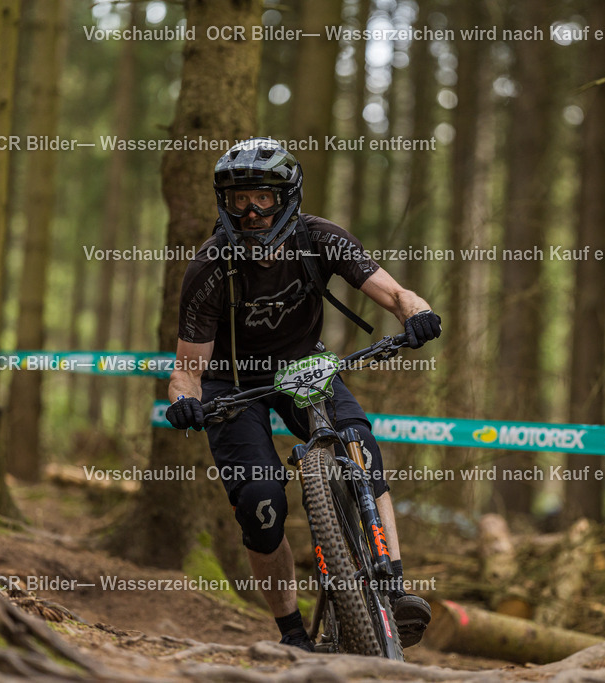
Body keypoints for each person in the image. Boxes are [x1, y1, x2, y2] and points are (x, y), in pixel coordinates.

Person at [167, 137, 441, 652]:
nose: (249, 211)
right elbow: (187, 369)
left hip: (304, 365)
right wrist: (183, 399)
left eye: (262, 198)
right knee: (260, 501)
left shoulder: (321, 239)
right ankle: (292, 633)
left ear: (286, 195)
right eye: (237, 199)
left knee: (360, 445)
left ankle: (394, 585)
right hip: (232, 383)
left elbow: (395, 292)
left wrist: (417, 314)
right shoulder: (208, 266)